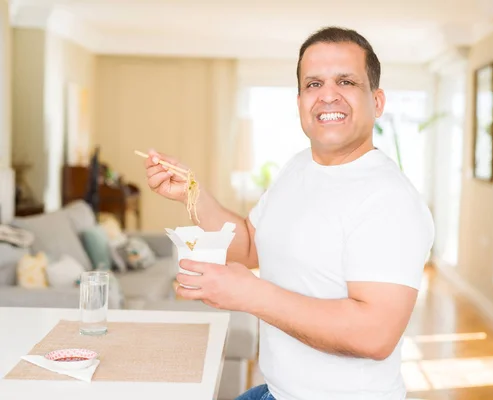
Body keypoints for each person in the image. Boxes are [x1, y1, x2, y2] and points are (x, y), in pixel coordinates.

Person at [144, 26, 434, 400]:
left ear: (376, 102)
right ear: (299, 100)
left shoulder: (390, 199)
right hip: (277, 392)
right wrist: (191, 193)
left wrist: (249, 295)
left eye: (345, 81)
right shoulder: (298, 168)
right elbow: (248, 245)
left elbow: (374, 334)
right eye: (313, 84)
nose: (327, 95)